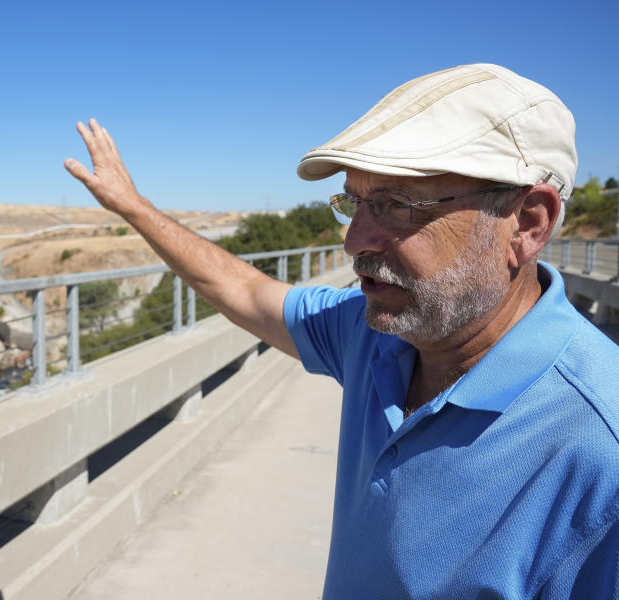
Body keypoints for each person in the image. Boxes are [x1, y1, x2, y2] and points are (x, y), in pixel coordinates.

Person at [64, 63, 619, 598]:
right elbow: (246, 293)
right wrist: (134, 208)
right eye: (354, 203)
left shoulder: (600, 449)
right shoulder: (374, 335)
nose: (354, 242)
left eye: (397, 205)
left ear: (527, 224)